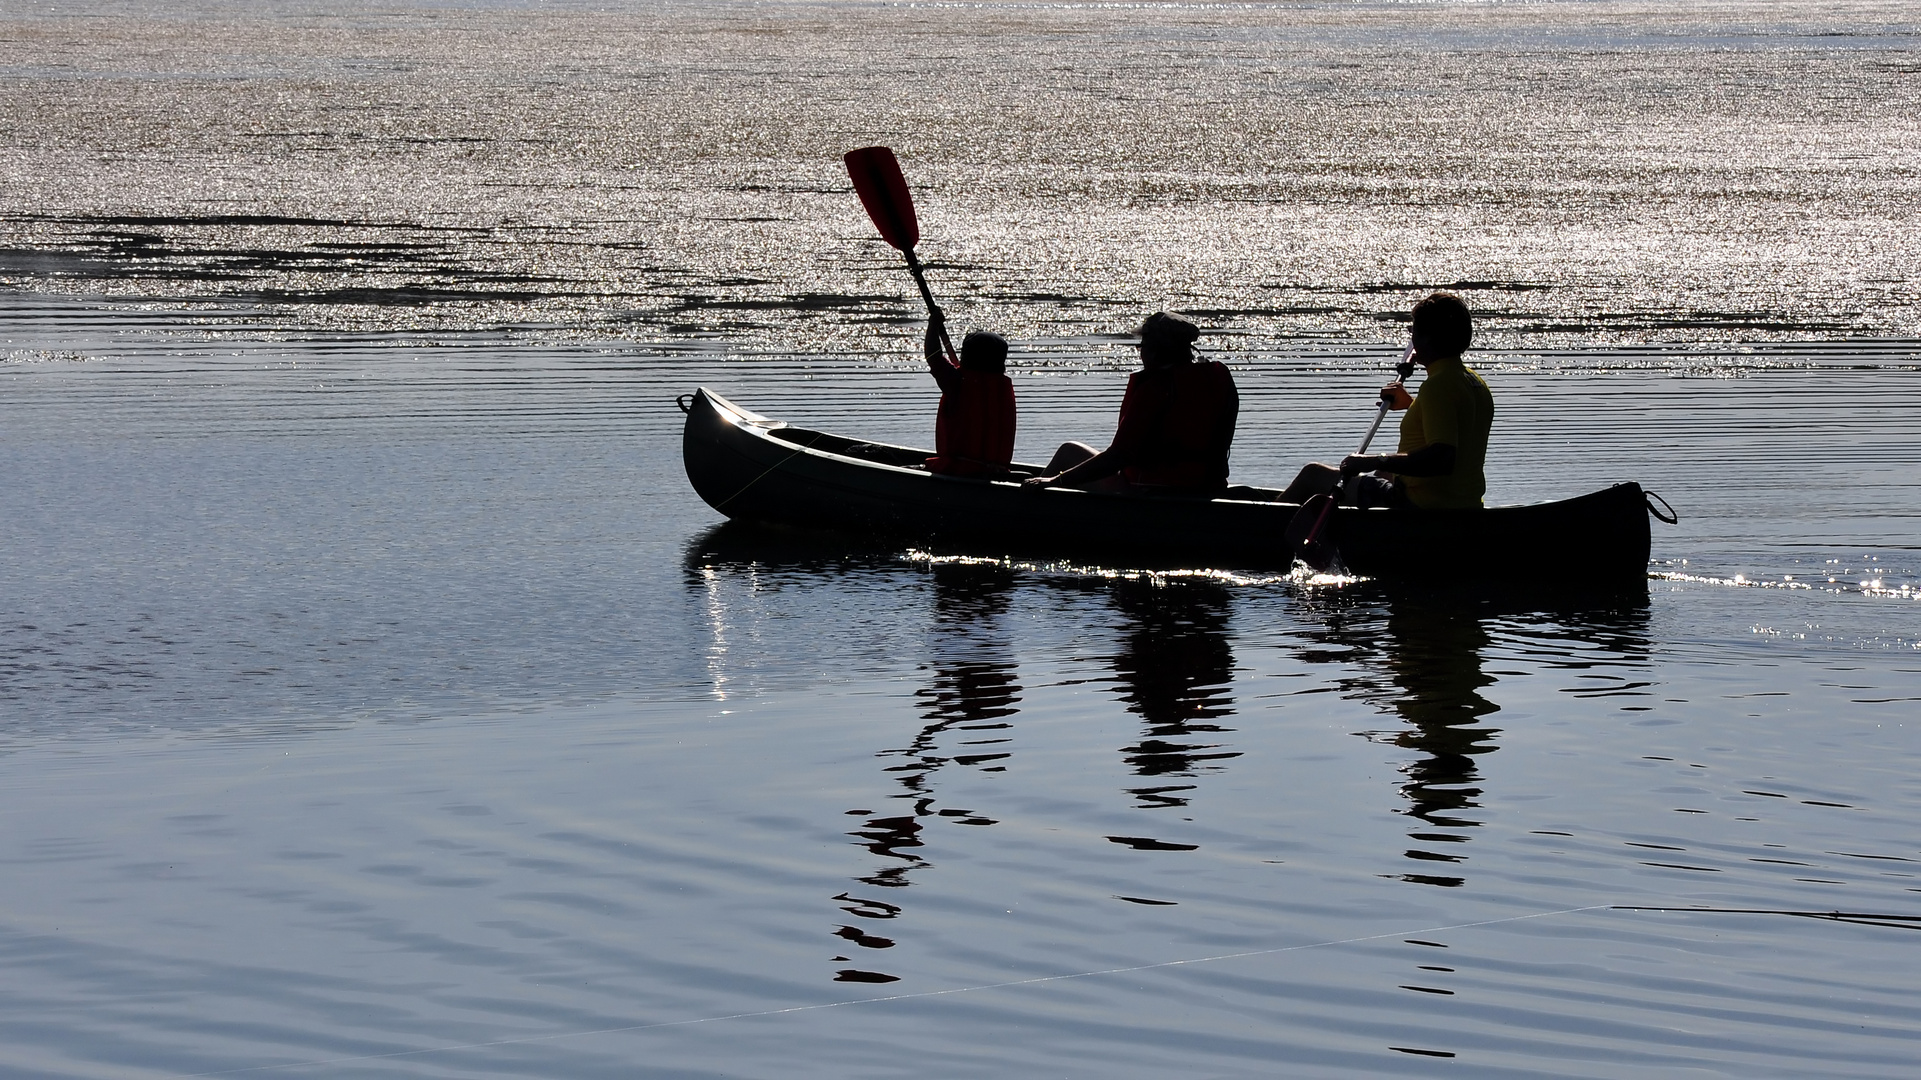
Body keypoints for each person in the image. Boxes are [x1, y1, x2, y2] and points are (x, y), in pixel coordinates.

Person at [1281, 292, 1493, 509]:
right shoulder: (1474, 383)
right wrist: (1413, 406)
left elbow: (1442, 459)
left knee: (1312, 475)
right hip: (1466, 504)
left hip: (1422, 505)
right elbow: (1456, 425)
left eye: (1414, 331)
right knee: (1383, 473)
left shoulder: (1438, 385)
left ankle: (1266, 526)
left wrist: (1373, 459)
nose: (1412, 339)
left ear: (1427, 337)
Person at [1023, 312, 1239, 493]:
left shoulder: (1156, 387)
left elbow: (1119, 456)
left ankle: (1028, 506)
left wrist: (1056, 481)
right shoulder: (1219, 378)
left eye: (1142, 346)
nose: (1141, 352)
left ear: (1154, 351)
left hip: (1152, 487)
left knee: (1068, 452)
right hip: (1209, 485)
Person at [921, 308, 1016, 477]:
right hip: (995, 472)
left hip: (957, 470)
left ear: (966, 358)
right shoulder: (1000, 388)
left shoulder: (957, 382)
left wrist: (932, 324)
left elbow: (933, 356)